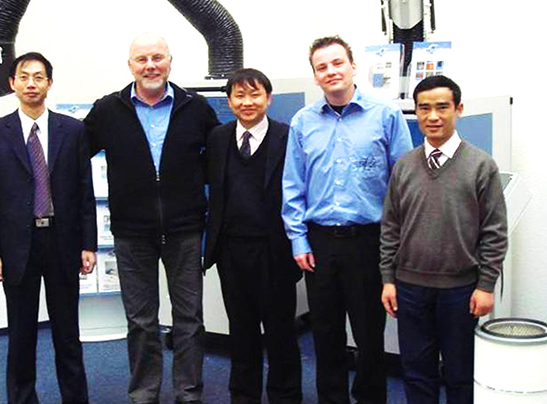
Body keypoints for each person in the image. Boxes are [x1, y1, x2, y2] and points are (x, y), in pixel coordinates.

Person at [84, 33, 219, 404]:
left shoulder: (196, 108)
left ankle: (188, 392)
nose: (150, 66)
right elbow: (73, 154)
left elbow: (220, 160)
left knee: (189, 319)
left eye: (157, 57)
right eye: (141, 59)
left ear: (170, 62)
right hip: (132, 233)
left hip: (185, 230)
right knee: (141, 321)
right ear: (130, 66)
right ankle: (145, 393)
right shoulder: (108, 110)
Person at [282, 35, 413, 404]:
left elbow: (403, 184)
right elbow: (293, 185)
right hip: (319, 243)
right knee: (325, 333)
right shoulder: (303, 122)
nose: (331, 71)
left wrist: (396, 246)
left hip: (368, 241)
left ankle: (370, 398)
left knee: (370, 334)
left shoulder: (385, 115)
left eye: (337, 62)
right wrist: (298, 239)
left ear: (353, 66)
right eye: (322, 67)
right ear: (315, 76)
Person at [0, 52, 97, 404]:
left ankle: (76, 398)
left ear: (49, 83)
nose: (31, 84)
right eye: (24, 77)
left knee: (67, 333)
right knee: (21, 333)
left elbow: (84, 191)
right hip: (16, 246)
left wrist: (88, 243)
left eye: (39, 77)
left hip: (62, 241)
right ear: (12, 83)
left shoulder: (72, 130)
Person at [380, 75, 508, 404]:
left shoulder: (481, 165)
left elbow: (494, 231)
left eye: (442, 107)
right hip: (410, 288)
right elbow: (391, 226)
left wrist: (486, 285)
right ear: (416, 112)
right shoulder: (404, 166)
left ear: (458, 109)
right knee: (416, 372)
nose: (433, 116)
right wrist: (388, 280)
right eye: (424, 108)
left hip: (460, 290)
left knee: (459, 373)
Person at [204, 68, 303, 404]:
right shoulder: (218, 138)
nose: (247, 102)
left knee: (280, 331)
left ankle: (285, 395)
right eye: (239, 95)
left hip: (275, 250)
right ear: (230, 101)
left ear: (268, 98)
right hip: (231, 250)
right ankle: (243, 395)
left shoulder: (287, 137)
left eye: (255, 94)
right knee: (241, 330)